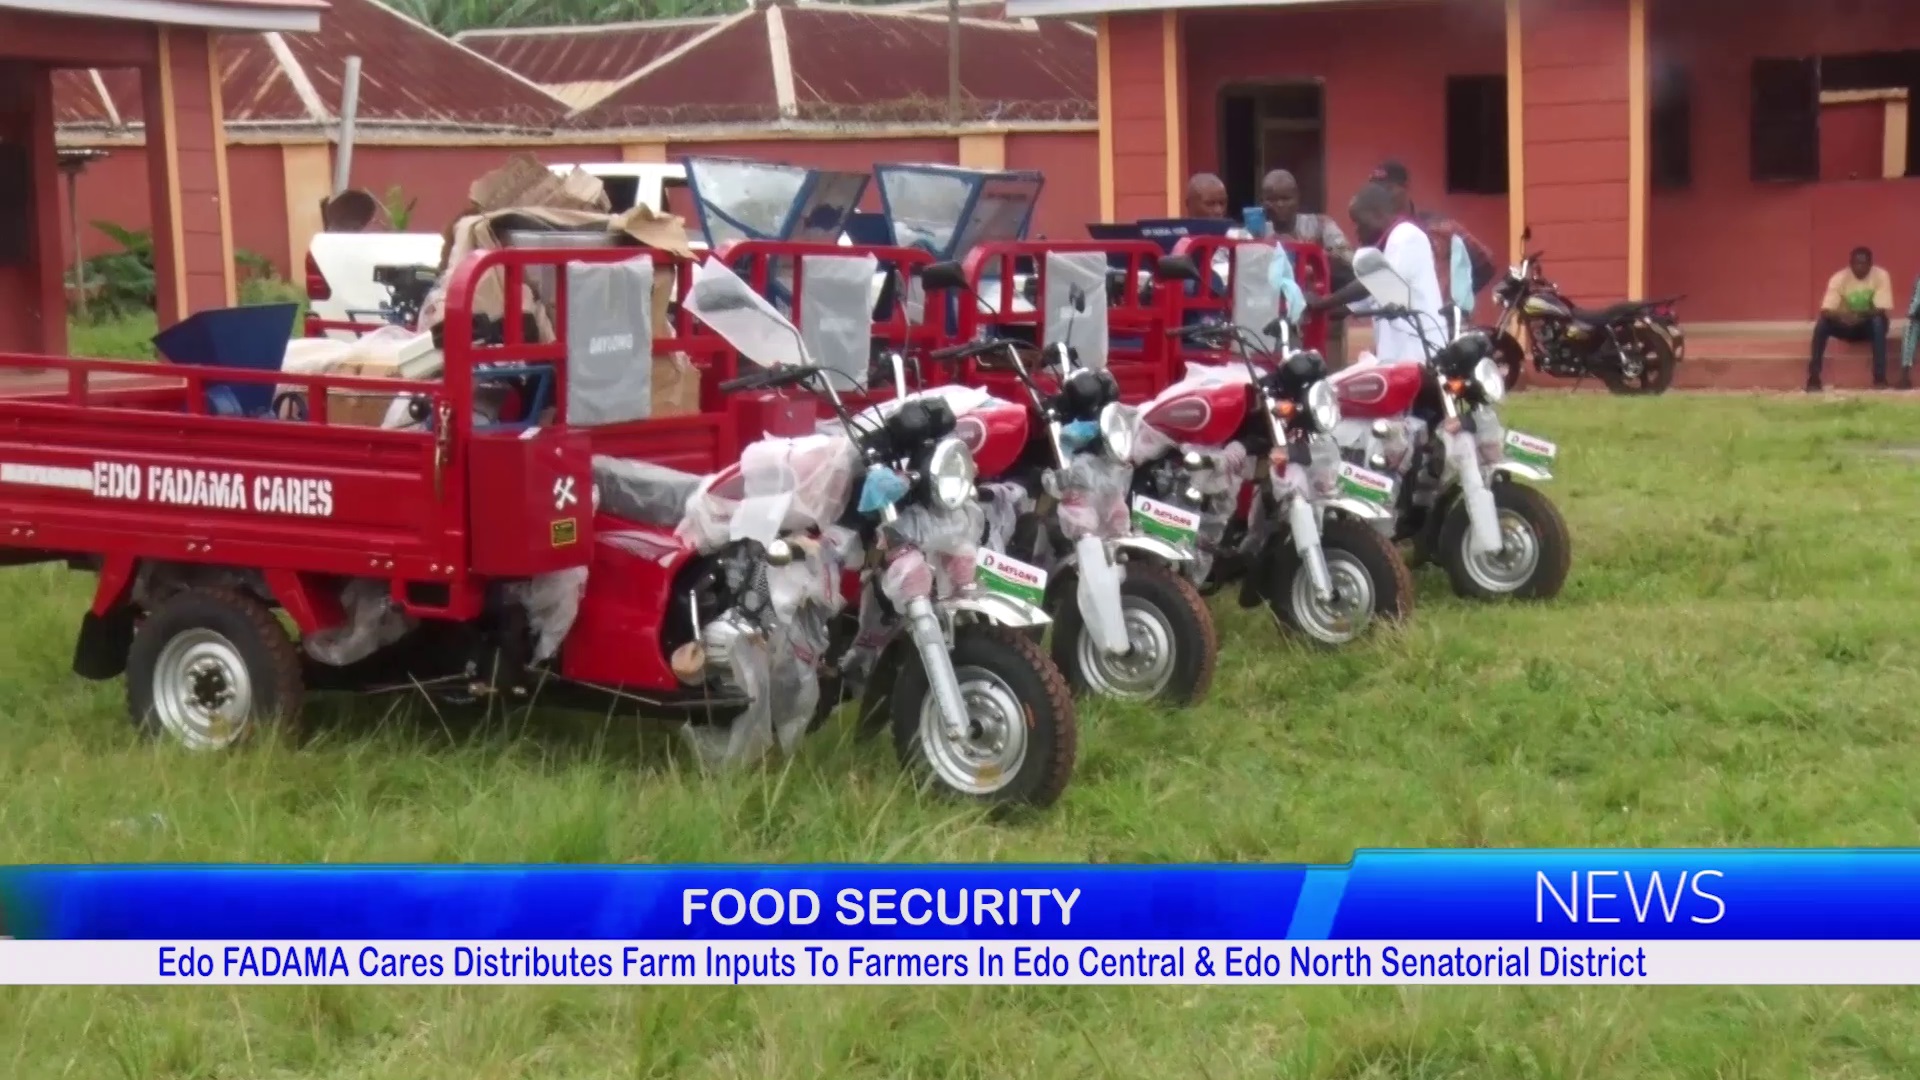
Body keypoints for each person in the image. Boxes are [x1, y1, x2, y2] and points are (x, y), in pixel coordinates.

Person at [1339, 181, 1445, 364]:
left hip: (1420, 352)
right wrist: (1311, 310)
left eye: (1360, 223)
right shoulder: (1383, 250)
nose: (1356, 231)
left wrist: (1324, 303)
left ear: (1378, 215)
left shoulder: (1406, 235)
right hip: (1398, 357)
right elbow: (1356, 304)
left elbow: (1376, 284)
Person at [1261, 169, 1355, 364]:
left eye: (1285, 198)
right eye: (1272, 199)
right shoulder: (1256, 231)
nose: (1279, 205)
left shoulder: (1321, 225)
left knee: (1325, 375)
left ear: (1297, 198)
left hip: (1319, 320)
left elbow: (1349, 262)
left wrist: (1308, 257)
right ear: (1263, 201)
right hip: (1271, 322)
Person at [1370, 160, 1496, 301]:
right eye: (1376, 191)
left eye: (1388, 189)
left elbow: (1485, 264)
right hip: (1404, 313)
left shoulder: (1441, 226)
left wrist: (1458, 298)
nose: (1382, 196)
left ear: (1405, 188)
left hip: (1444, 313)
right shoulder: (1378, 236)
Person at [1807, 246, 1894, 392]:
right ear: (1850, 264)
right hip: (1846, 324)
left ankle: (1880, 378)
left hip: (1868, 325)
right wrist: (1843, 317)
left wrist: (1860, 316)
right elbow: (1826, 311)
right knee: (1822, 325)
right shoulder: (1839, 278)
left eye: (1864, 264)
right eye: (1856, 263)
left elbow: (1881, 309)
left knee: (1878, 322)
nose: (1860, 267)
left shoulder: (1881, 276)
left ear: (1870, 264)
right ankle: (1813, 377)